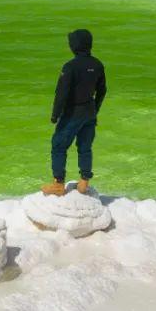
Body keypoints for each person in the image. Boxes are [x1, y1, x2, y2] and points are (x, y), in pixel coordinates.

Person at [42, 29, 107, 196]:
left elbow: (61, 93)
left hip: (73, 113)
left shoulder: (70, 66)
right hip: (90, 112)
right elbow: (102, 90)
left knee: (58, 145)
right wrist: (96, 108)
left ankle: (58, 184)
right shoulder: (97, 64)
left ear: (75, 45)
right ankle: (84, 182)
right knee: (85, 146)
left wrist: (55, 115)